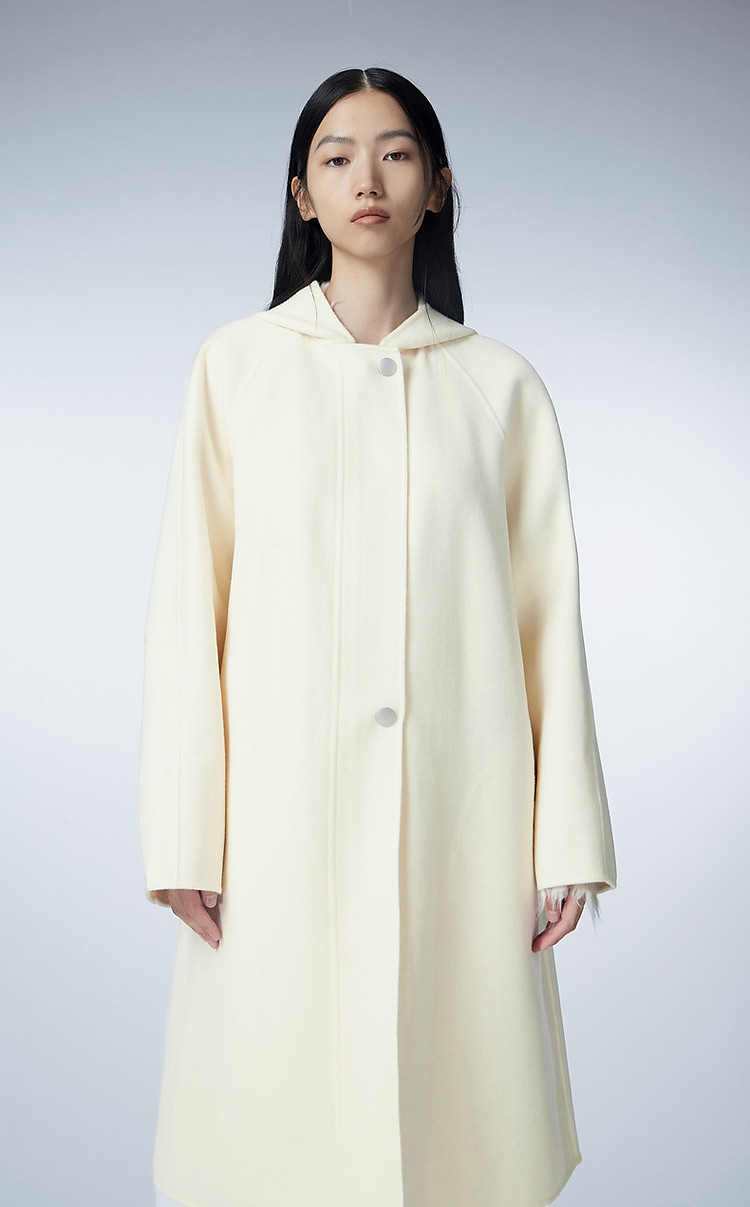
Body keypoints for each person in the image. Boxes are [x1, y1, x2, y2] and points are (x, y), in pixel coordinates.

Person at [138, 66, 617, 1207]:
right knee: (272, 1130)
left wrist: (566, 834)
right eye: (338, 155)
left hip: (464, 814)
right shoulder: (237, 369)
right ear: (301, 195)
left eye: (397, 153)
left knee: (460, 1128)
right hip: (275, 825)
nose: (369, 178)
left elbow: (548, 625)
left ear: (437, 186)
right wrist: (182, 838)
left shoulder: (501, 388)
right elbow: (189, 609)